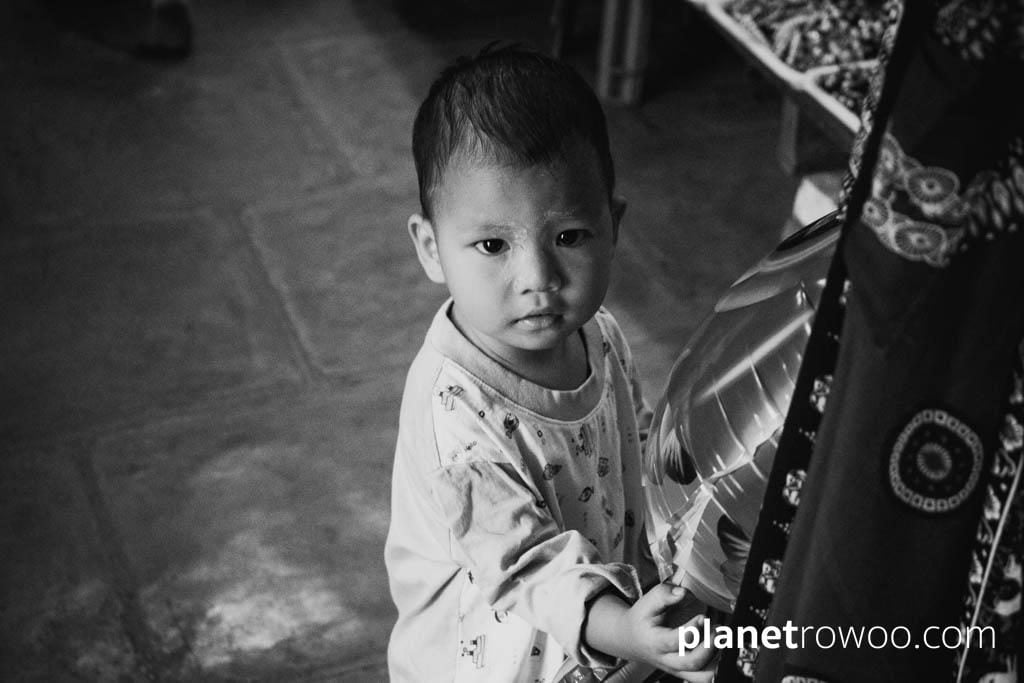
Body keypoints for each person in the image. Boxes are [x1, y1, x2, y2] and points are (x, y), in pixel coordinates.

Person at [384, 44, 716, 682]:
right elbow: (527, 561)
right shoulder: (454, 414)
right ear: (431, 249)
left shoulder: (601, 334)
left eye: (568, 236)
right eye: (492, 245)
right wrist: (626, 631)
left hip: (598, 642)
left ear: (612, 227)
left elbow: (636, 443)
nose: (538, 278)